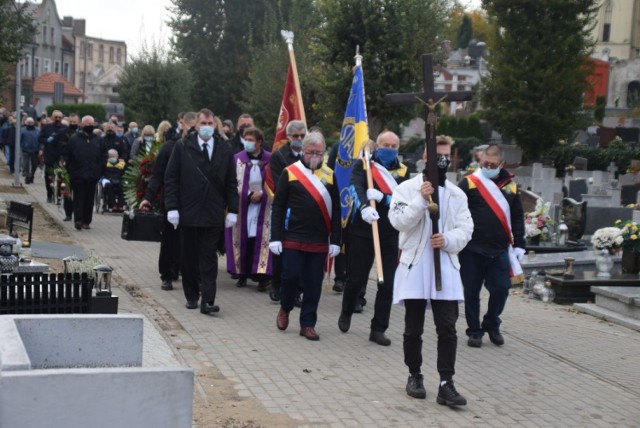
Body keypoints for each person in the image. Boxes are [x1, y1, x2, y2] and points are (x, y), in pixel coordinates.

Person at [389, 135, 473, 406]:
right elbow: (398, 221)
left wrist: (448, 239)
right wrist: (420, 200)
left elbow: (466, 228)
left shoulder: (457, 194)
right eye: (437, 156)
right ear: (425, 157)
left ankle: (446, 383)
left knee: (447, 328)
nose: (443, 160)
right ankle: (414, 374)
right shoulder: (406, 189)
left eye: (447, 156)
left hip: (444, 265)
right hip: (415, 264)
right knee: (413, 327)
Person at [164, 108, 239, 314]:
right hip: (188, 211)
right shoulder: (182, 147)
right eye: (203, 124)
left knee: (209, 257)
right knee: (188, 257)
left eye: (210, 124)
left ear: (215, 125)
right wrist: (172, 208)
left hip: (213, 212)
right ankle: (191, 295)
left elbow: (231, 182)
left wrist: (233, 209)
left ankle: (208, 299)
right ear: (195, 125)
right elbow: (171, 179)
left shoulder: (224, 148)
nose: (207, 127)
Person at [338, 131, 409, 346]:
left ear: (398, 148)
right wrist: (364, 208)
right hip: (363, 230)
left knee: (386, 284)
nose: (389, 148)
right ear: (377, 146)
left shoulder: (403, 172)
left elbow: (405, 201)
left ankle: (378, 328)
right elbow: (355, 187)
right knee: (356, 279)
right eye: (385, 144)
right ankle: (347, 310)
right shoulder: (364, 165)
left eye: (393, 145)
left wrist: (385, 198)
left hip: (389, 233)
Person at [270, 131, 341, 341]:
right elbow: (278, 206)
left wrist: (336, 240)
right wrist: (275, 237)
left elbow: (336, 210)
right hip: (293, 235)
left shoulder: (330, 175)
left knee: (313, 284)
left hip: (318, 239)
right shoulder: (290, 172)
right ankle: (285, 307)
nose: (314, 156)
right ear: (303, 151)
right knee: (290, 276)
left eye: (318, 153)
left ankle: (308, 323)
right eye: (310, 152)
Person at [457, 143, 526, 348]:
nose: (488, 167)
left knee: (501, 289)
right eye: (485, 163)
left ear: (501, 164)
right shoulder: (469, 183)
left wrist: (520, 244)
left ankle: (491, 322)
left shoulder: (510, 186)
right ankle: (474, 331)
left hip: (499, 249)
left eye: (492, 164)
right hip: (472, 249)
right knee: (471, 292)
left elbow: (517, 217)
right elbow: (455, 211)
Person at [140, 112, 197, 291]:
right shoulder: (169, 148)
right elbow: (158, 176)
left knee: (191, 241)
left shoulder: (201, 149)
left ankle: (189, 274)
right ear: (183, 126)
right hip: (172, 200)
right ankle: (166, 274)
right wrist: (148, 198)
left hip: (194, 203)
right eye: (193, 127)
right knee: (170, 240)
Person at [225, 127, 272, 291]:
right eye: (246, 139)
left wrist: (262, 195)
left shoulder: (269, 160)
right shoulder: (237, 159)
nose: (248, 143)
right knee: (244, 238)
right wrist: (247, 194)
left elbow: (273, 184)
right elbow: (232, 183)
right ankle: (242, 274)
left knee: (259, 239)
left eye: (251, 140)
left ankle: (261, 277)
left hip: (263, 208)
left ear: (259, 142)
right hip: (243, 206)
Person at [266, 120, 307, 302]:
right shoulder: (279, 156)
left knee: (301, 251)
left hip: (305, 211)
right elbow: (278, 183)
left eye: (302, 136)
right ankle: (276, 284)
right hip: (286, 209)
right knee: (281, 251)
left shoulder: (309, 155)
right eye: (296, 136)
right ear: (288, 137)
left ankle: (297, 290)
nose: (299, 139)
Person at [65, 115, 103, 231]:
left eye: (91, 124)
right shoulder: (74, 139)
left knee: (89, 200)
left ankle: (87, 221)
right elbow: (68, 156)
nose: (90, 127)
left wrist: (99, 170)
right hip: (78, 175)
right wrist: (71, 170)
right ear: (82, 125)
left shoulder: (98, 140)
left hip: (92, 176)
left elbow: (103, 156)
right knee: (78, 198)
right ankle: (78, 220)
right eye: (87, 124)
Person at [39, 110, 68, 202]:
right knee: (49, 177)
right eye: (56, 117)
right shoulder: (47, 128)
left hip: (60, 155)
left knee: (60, 177)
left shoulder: (65, 128)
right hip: (50, 155)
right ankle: (49, 195)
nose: (58, 119)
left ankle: (59, 196)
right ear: (52, 118)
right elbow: (40, 138)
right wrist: (47, 140)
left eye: (60, 117)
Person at [20, 117, 40, 184]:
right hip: (25, 149)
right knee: (26, 164)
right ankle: (27, 176)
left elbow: (40, 140)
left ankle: (32, 175)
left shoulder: (38, 130)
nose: (30, 124)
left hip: (35, 150)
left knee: (34, 164)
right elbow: (20, 139)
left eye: (31, 122)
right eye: (28, 122)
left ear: (33, 123)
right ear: (26, 123)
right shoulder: (22, 130)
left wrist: (40, 148)